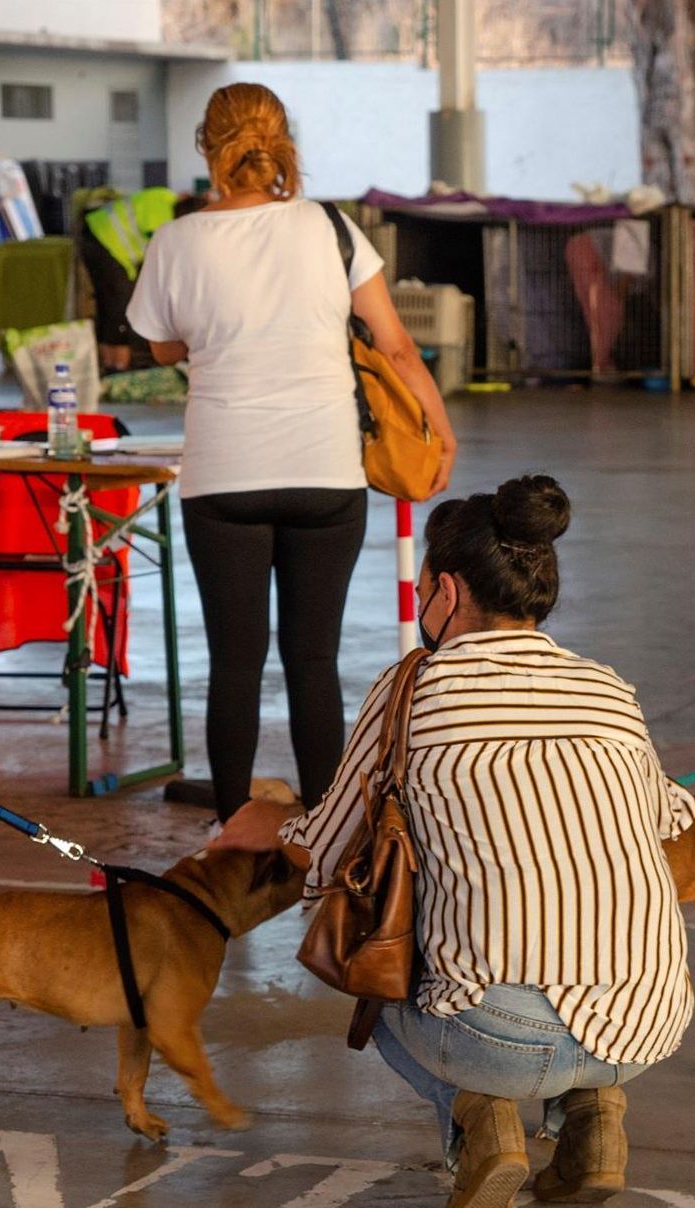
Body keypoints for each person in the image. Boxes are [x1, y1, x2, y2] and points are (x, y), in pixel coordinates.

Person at [213, 475, 694, 1208]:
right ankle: (592, 1117)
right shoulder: (607, 688)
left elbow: (330, 846)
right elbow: (669, 817)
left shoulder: (417, 687)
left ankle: (480, 1122)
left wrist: (265, 823)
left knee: (372, 976)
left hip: (501, 1037)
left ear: (442, 590)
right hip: (649, 1020)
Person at [126, 82, 458, 825]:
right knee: (314, 664)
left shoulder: (177, 240)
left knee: (235, 667)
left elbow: (160, 342)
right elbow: (395, 347)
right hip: (324, 472)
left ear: (206, 150)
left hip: (223, 477)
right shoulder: (331, 229)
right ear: (284, 143)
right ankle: (331, 833)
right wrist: (441, 430)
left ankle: (233, 840)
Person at [82, 186, 204, 372]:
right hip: (103, 240)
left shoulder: (164, 196)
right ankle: (117, 369)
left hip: (96, 231)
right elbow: (164, 265)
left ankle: (111, 365)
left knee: (112, 306)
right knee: (119, 306)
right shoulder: (166, 225)